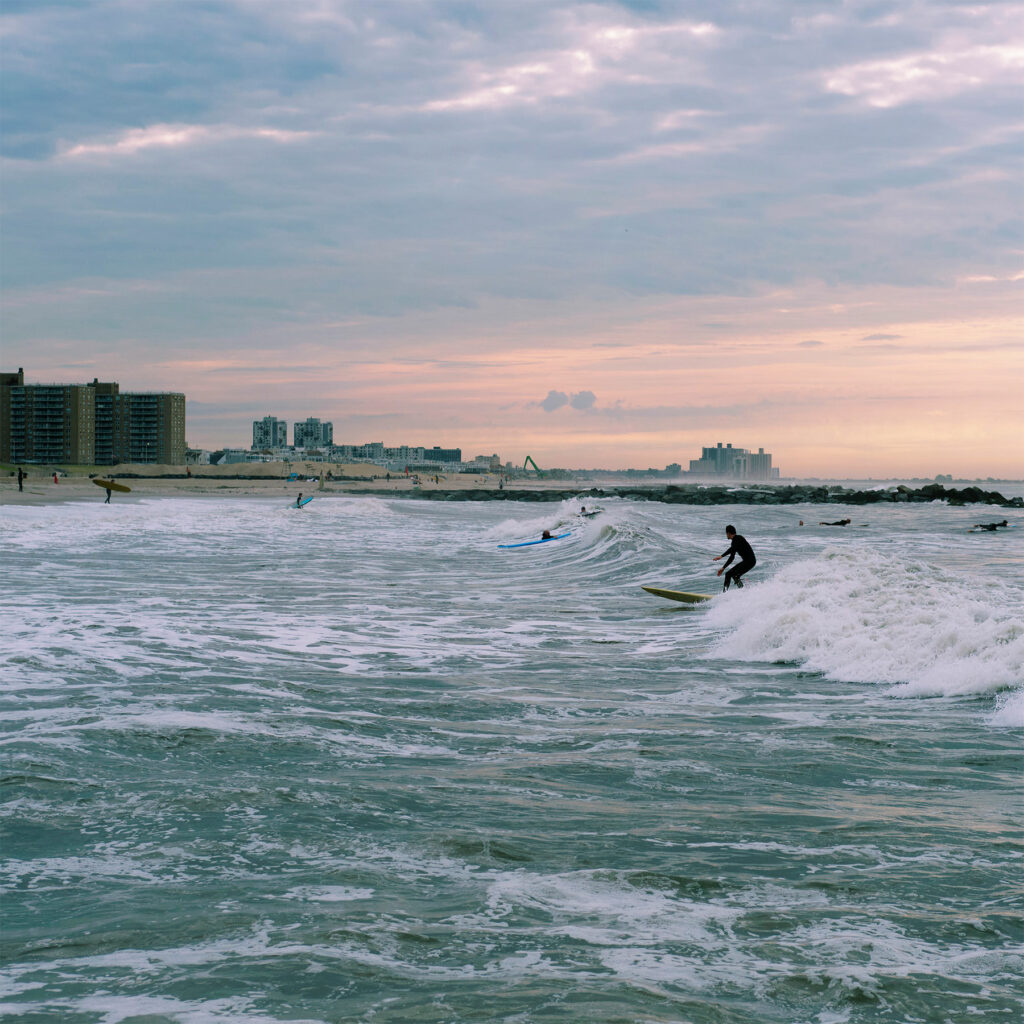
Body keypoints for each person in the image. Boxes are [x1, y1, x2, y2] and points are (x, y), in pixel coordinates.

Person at [713, 525, 756, 590]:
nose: (726, 535)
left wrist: (721, 556)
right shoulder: (734, 542)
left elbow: (732, 548)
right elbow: (731, 557)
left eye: (726, 533)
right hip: (747, 561)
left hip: (750, 561)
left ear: (728, 533)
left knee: (735, 576)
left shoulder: (739, 538)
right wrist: (723, 568)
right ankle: (725, 593)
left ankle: (744, 592)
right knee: (728, 574)